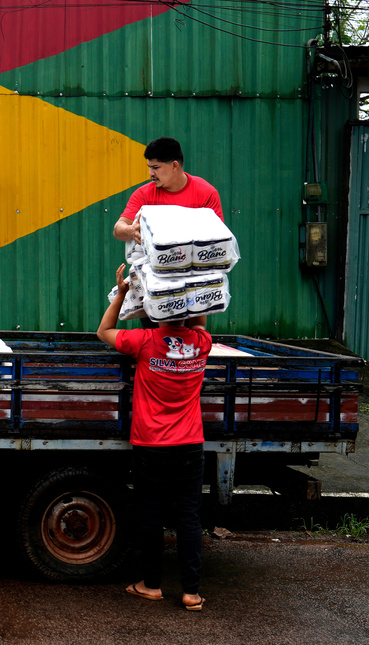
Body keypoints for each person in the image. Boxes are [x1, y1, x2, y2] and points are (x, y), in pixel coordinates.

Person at [97, 263, 211, 612]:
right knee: (189, 517)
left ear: (154, 308)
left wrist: (122, 291)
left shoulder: (144, 342)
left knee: (152, 516)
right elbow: (201, 320)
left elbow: (104, 331)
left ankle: (151, 585)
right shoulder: (201, 343)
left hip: (151, 445)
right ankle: (191, 592)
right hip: (190, 444)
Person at [112, 137, 223, 245]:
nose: (151, 173)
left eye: (155, 167)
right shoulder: (143, 194)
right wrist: (130, 230)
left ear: (174, 166)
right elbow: (119, 228)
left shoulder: (207, 193)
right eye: (149, 167)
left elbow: (218, 236)